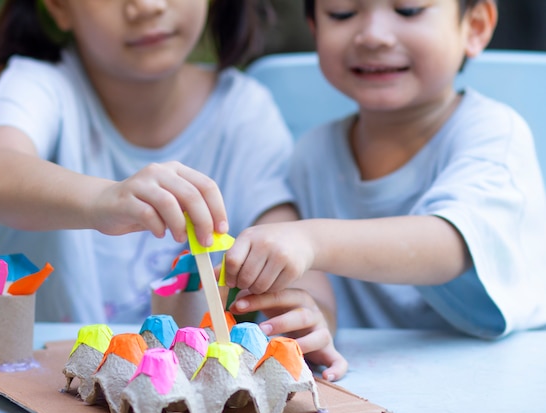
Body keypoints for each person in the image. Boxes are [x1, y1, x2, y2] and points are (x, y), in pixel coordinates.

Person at [0, 0, 345, 379]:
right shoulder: (37, 84)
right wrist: (102, 200)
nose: (147, 6)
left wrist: (310, 316)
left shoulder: (243, 110)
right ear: (57, 6)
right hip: (21, 386)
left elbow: (286, 243)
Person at [225, 0, 546, 341]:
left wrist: (310, 239)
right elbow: (318, 286)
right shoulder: (312, 154)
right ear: (315, 29)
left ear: (475, 25)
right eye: (342, 14)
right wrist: (317, 319)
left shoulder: (494, 133)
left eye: (409, 10)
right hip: (366, 383)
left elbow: (452, 244)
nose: (373, 37)